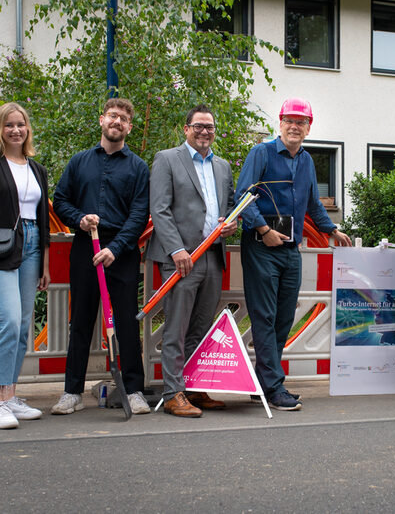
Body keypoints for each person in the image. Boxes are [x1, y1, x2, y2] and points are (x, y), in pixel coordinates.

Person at [234, 97, 352, 411]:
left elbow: (313, 203)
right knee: (265, 316)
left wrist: (331, 230)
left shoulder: (307, 161)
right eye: (290, 120)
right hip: (261, 247)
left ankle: (263, 382)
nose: (294, 126)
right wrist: (263, 230)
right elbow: (243, 195)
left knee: (284, 318)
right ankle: (274, 388)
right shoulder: (261, 153)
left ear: (308, 127)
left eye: (301, 122)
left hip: (291, 249)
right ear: (280, 122)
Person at [51, 98, 151, 415]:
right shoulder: (79, 162)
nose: (117, 121)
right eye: (112, 116)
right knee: (80, 321)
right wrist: (79, 219)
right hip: (85, 246)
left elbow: (139, 215)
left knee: (125, 323)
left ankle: (133, 390)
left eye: (123, 118)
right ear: (101, 121)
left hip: (120, 252)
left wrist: (116, 248)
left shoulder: (138, 167)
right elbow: (60, 200)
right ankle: (72, 392)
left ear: (129, 127)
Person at [146, 105, 236, 417]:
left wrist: (231, 223)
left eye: (209, 127)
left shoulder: (222, 166)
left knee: (201, 327)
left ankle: (194, 387)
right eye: (198, 126)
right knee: (177, 329)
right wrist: (176, 250)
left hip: (213, 255)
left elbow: (228, 206)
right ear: (186, 129)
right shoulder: (167, 159)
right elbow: (160, 209)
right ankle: (173, 392)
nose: (204, 132)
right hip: (181, 259)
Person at [0, 102, 51, 429]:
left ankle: (10, 395)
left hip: (31, 248)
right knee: (9, 321)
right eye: (9, 125)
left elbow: (42, 219)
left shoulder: (36, 168)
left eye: (21, 125)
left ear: (27, 129)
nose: (16, 130)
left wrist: (44, 262)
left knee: (23, 325)